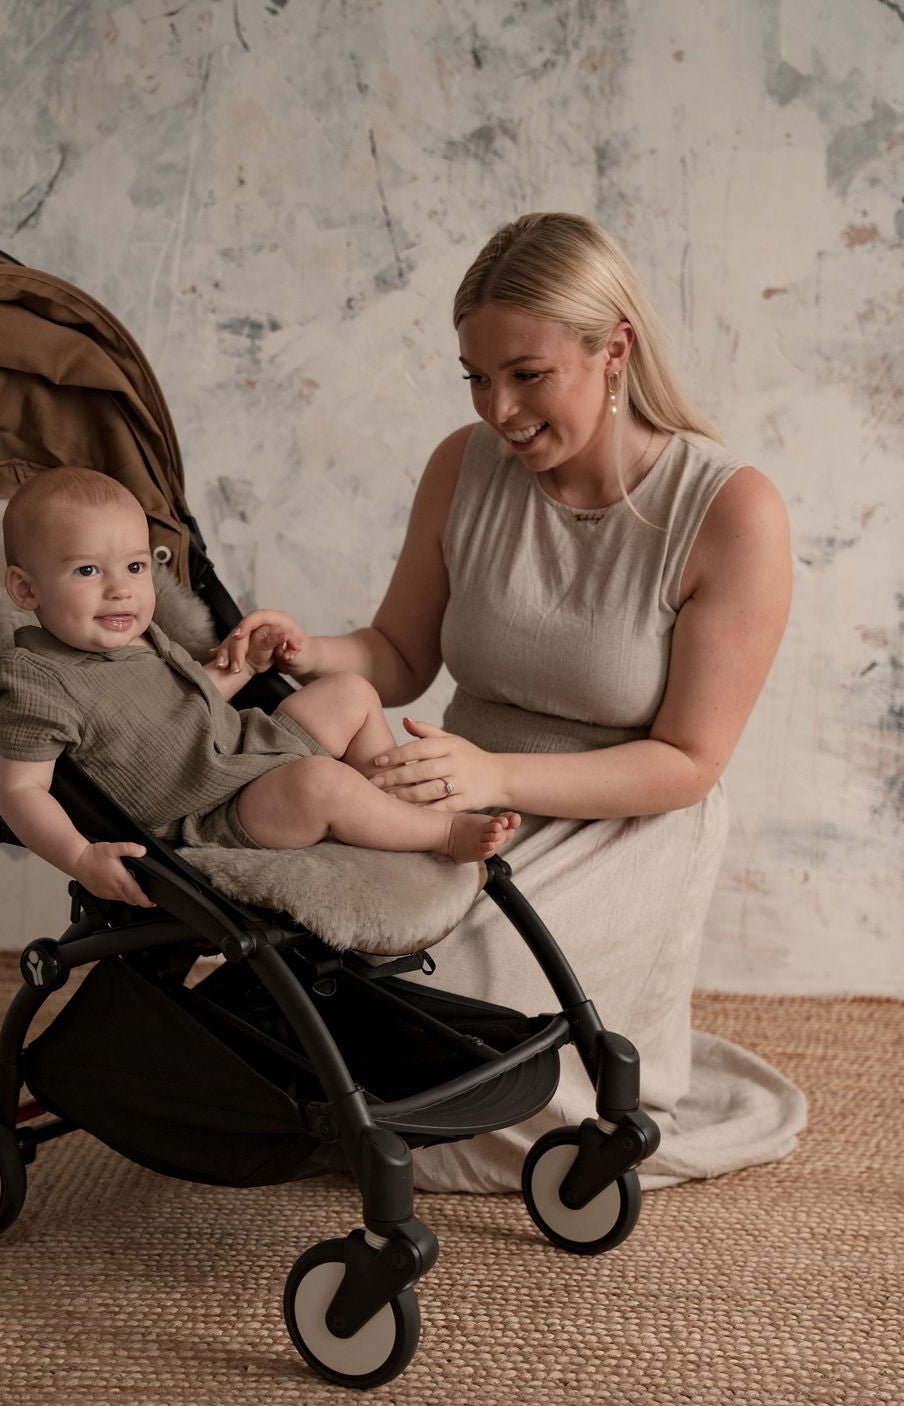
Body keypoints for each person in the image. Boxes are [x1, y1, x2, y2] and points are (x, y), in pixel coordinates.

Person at [212, 211, 807, 1192]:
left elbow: (690, 760)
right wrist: (307, 648)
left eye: (526, 375)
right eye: (475, 378)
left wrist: (492, 773)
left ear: (611, 350)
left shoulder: (730, 513)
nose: (498, 408)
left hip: (625, 815)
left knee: (423, 1012)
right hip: (455, 795)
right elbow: (398, 653)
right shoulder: (464, 466)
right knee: (308, 954)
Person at [0, 467, 520, 908]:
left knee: (350, 692)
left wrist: (249, 663)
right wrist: (81, 858)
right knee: (317, 782)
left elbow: (192, 699)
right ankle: (443, 836)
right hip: (211, 814)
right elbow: (21, 791)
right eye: (87, 570)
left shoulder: (143, 635)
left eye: (134, 566)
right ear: (25, 588)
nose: (121, 590)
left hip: (246, 748)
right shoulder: (39, 682)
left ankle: (385, 803)